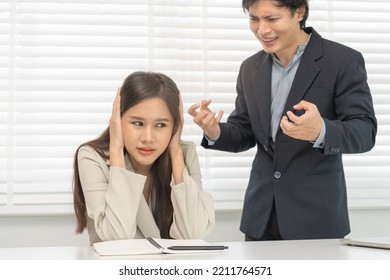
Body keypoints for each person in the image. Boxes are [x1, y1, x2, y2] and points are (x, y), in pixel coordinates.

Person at [188, 0, 377, 241]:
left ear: (299, 12)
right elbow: (245, 132)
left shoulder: (342, 60)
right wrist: (215, 131)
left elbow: (365, 131)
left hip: (316, 219)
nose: (262, 30)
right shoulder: (250, 68)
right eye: (254, 19)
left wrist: (320, 131)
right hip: (261, 218)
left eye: (272, 19)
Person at [73, 71, 215, 245]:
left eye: (161, 125)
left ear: (175, 126)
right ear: (117, 119)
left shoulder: (184, 154)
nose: (148, 137)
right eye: (138, 123)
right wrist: (116, 148)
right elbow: (117, 238)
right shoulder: (92, 156)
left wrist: (175, 151)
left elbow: (194, 235)